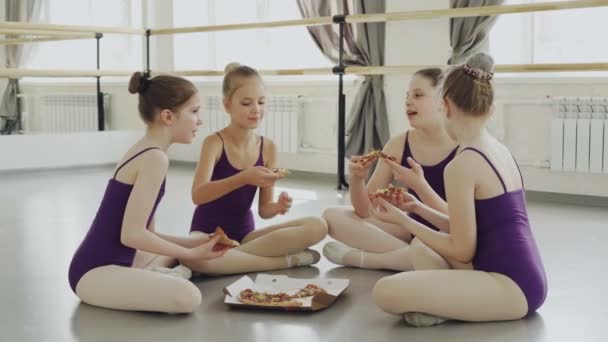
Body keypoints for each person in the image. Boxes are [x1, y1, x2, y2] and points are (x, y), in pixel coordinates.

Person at [371, 53, 547, 326]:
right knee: (420, 249)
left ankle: (446, 307)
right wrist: (417, 207)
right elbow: (466, 227)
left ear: (445, 106)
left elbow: (461, 249)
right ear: (488, 108)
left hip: (510, 288)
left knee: (384, 292)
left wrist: (401, 219)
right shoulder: (497, 149)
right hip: (526, 277)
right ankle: (447, 304)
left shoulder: (462, 164)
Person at [68, 72, 229, 313]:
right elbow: (131, 236)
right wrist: (190, 251)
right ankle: (169, 275)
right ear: (167, 116)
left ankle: (167, 272)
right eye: (194, 111)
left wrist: (196, 241)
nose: (200, 120)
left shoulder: (148, 150)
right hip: (95, 272)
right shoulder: (154, 158)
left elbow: (148, 234)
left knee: (179, 258)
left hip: (121, 260)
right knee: (189, 297)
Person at [182, 63, 327, 275]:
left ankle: (235, 257)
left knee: (318, 225)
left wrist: (277, 207)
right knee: (196, 260)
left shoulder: (268, 147)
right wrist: (243, 178)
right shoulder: (214, 143)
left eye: (261, 102)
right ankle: (283, 261)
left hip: (246, 237)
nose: (256, 109)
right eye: (246, 103)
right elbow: (198, 195)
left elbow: (264, 210)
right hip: (206, 235)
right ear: (227, 105)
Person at [323, 68, 458, 271]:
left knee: (437, 247)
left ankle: (376, 259)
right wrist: (357, 180)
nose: (408, 101)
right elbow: (365, 211)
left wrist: (419, 188)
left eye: (418, 95)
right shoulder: (399, 144)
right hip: (411, 230)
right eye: (407, 96)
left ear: (443, 101)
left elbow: (463, 223)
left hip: (452, 236)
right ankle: (417, 259)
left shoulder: (463, 146)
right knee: (332, 216)